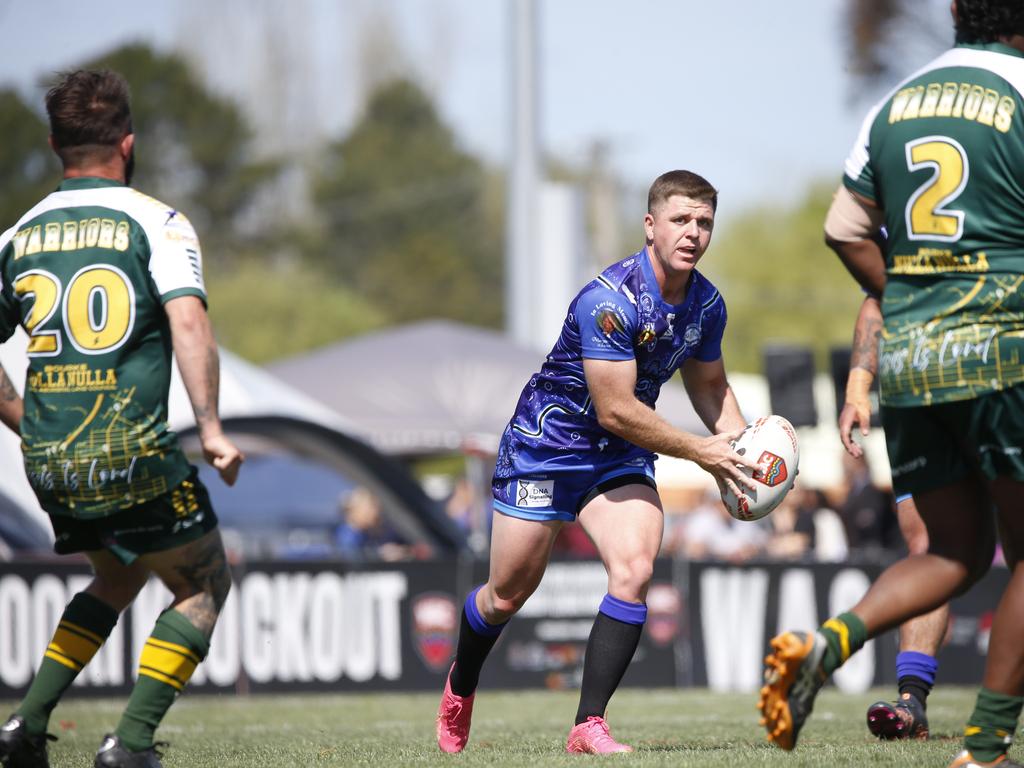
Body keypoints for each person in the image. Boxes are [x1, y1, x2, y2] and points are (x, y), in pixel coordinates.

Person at [758, 4, 1024, 765]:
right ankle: (984, 747)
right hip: (1003, 350)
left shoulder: (895, 104)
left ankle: (823, 648)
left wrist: (913, 294)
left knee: (951, 552)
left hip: (910, 358)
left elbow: (843, 228)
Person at [435, 169, 760, 754]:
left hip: (619, 457)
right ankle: (462, 682)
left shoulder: (707, 305)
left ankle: (589, 725)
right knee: (507, 594)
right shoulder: (609, 302)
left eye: (704, 222)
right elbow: (614, 409)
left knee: (635, 568)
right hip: (547, 448)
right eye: (681, 219)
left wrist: (741, 457)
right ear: (650, 225)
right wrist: (700, 452)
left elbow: (709, 386)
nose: (693, 233)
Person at [0, 70, 243, 768]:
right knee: (202, 584)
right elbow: (190, 325)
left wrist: (27, 422)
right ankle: (130, 745)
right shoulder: (156, 221)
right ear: (128, 145)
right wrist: (214, 430)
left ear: (54, 145)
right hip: (131, 453)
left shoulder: (16, 235)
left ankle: (25, 728)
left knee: (119, 576)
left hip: (48, 461)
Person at [840, 296, 949, 741]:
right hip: (922, 399)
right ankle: (912, 702)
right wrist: (856, 389)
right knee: (929, 552)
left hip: (1004, 387)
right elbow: (874, 302)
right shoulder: (895, 228)